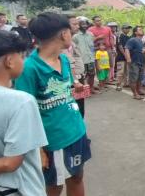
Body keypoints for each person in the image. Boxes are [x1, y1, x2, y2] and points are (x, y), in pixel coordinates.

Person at [14, 12, 90, 196]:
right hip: (54, 140)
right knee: (55, 186)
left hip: (76, 131)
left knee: (77, 176)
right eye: (70, 31)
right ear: (63, 34)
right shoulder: (29, 68)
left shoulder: (63, 59)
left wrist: (77, 86)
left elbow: (68, 85)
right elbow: (25, 113)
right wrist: (38, 150)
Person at [0, 30, 48, 196]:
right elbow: (10, 163)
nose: (24, 60)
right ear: (9, 61)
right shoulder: (21, 101)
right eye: (21, 56)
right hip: (18, 189)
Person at [62, 16, 86, 118]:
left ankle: (80, 127)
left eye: (78, 24)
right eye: (74, 24)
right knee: (74, 106)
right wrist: (75, 81)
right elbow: (68, 62)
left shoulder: (72, 42)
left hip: (79, 77)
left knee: (80, 105)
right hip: (72, 80)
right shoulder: (63, 44)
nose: (78, 26)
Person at [125, 26, 145, 100]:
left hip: (141, 62)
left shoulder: (141, 41)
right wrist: (128, 58)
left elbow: (141, 51)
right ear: (135, 32)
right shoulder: (132, 40)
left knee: (139, 78)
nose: (142, 30)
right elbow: (127, 49)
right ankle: (135, 94)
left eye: (142, 29)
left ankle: (139, 90)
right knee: (133, 78)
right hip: (134, 62)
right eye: (139, 29)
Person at [73, 19, 97, 94]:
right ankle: (83, 91)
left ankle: (91, 89)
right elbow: (74, 48)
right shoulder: (75, 36)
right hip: (81, 59)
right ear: (79, 26)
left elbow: (92, 46)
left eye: (85, 24)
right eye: (82, 24)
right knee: (81, 76)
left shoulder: (91, 34)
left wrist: (93, 55)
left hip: (90, 58)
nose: (84, 26)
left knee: (92, 74)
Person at [115, 24, 132, 91]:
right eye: (126, 28)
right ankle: (118, 85)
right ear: (122, 29)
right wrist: (125, 54)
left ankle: (125, 83)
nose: (128, 29)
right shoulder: (120, 36)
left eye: (128, 28)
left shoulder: (128, 37)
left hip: (127, 57)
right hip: (120, 57)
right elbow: (120, 46)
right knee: (120, 71)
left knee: (126, 71)